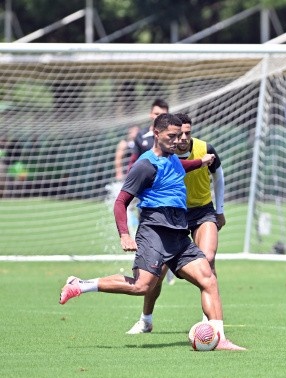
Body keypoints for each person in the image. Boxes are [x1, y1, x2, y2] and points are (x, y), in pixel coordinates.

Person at [59, 113, 245, 351]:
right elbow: (121, 202)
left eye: (180, 136)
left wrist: (201, 162)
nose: (178, 141)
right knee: (142, 286)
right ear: (156, 134)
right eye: (172, 136)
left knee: (208, 278)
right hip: (154, 232)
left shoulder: (172, 158)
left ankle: (219, 338)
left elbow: (181, 166)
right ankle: (80, 284)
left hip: (178, 234)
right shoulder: (144, 166)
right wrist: (124, 234)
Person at [127, 113, 226, 334]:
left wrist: (219, 210)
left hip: (202, 211)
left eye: (187, 133)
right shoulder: (163, 153)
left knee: (207, 260)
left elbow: (218, 174)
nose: (183, 138)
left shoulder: (204, 147)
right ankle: (146, 319)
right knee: (156, 275)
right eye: (179, 133)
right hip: (170, 218)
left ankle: (210, 324)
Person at [130, 98, 176, 284]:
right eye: (157, 114)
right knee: (147, 224)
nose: (159, 117)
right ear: (151, 114)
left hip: (167, 193)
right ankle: (148, 263)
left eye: (163, 114)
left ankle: (170, 263)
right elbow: (134, 161)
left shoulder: (172, 137)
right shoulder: (142, 137)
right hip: (146, 192)